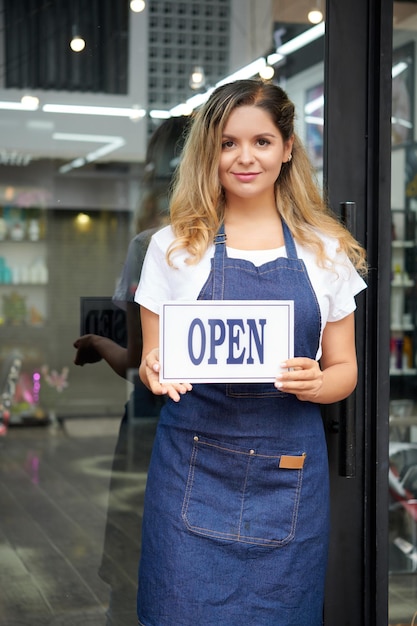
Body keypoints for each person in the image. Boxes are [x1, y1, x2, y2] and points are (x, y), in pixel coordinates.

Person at [135, 78, 367, 626]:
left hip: (287, 475)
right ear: (208, 152)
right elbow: (154, 360)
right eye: (228, 143)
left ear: (287, 149)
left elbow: (345, 369)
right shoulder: (171, 248)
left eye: (262, 141)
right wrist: (154, 370)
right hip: (191, 471)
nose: (245, 157)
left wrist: (318, 383)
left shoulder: (326, 250)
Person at [72, 115, 190, 625]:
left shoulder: (153, 244)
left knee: (140, 559)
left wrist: (98, 342)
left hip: (156, 429)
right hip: (234, 434)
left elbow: (141, 364)